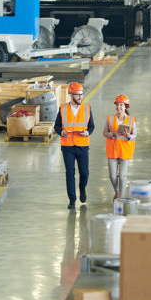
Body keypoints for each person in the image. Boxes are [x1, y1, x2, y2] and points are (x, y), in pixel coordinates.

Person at [54, 82, 95, 210]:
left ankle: (82, 189)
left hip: (82, 146)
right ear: (71, 95)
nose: (80, 98)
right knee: (70, 173)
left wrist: (87, 132)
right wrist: (62, 132)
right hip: (68, 147)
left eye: (81, 95)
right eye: (77, 95)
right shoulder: (63, 109)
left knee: (84, 173)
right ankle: (72, 199)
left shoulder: (87, 108)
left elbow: (92, 126)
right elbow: (57, 126)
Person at [103, 94, 136, 200]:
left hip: (125, 151)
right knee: (112, 176)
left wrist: (129, 136)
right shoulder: (110, 119)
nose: (119, 107)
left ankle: (121, 198)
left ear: (125, 107)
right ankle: (117, 191)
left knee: (122, 176)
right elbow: (104, 133)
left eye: (121, 105)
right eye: (117, 105)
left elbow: (135, 135)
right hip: (112, 151)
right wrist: (112, 134)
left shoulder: (131, 120)